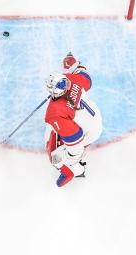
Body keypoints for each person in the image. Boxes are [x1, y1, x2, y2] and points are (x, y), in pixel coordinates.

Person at [44, 52, 103, 187]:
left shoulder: (55, 113)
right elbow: (86, 77)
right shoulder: (73, 79)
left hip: (90, 134)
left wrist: (70, 161)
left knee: (55, 156)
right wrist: (73, 64)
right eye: (60, 86)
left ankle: (77, 170)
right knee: (61, 126)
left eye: (63, 83)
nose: (65, 86)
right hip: (96, 119)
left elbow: (76, 142)